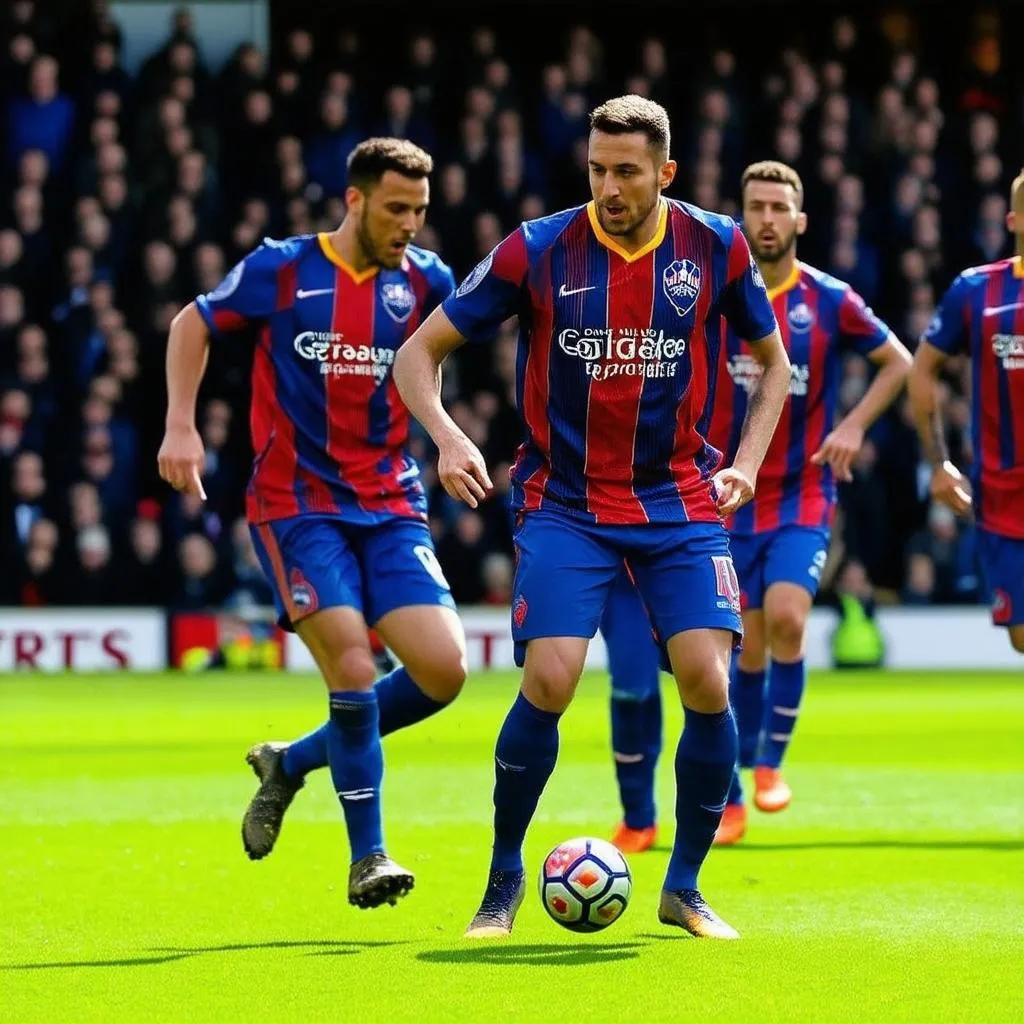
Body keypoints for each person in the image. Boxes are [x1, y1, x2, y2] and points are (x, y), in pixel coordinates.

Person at [393, 96, 791, 940]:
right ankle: (502, 882)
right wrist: (450, 438)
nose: (609, 188)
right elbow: (418, 352)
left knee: (710, 682)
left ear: (665, 174)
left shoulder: (713, 245)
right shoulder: (536, 249)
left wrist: (747, 466)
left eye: (627, 173)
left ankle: (683, 885)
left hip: (679, 496)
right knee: (551, 681)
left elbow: (774, 366)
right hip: (564, 500)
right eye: (598, 170)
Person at [157, 138, 468, 910]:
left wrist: (450, 437)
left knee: (443, 673)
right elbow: (191, 325)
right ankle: (371, 858)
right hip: (295, 502)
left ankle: (289, 764)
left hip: (392, 501)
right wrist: (180, 426)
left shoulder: (429, 281)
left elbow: (433, 372)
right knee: (356, 671)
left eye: (420, 212)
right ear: (355, 200)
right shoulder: (282, 268)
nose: (409, 225)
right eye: (397, 209)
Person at [708, 161, 910, 844]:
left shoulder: (827, 297)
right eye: (756, 206)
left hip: (800, 490)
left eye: (779, 207)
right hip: (725, 497)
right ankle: (730, 790)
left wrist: (851, 425)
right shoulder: (714, 292)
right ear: (742, 216)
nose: (766, 218)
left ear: (800, 220)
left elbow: (899, 362)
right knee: (740, 643)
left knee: (788, 619)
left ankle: (769, 766)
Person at [908, 168, 1024, 657]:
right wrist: (938, 462)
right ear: (1014, 220)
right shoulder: (977, 290)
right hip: (1000, 496)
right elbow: (922, 370)